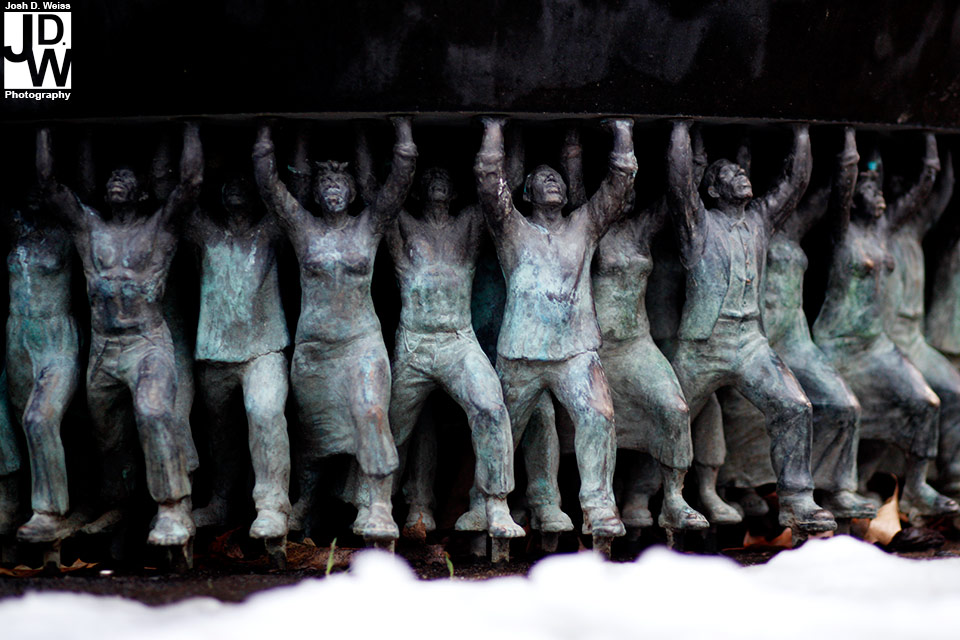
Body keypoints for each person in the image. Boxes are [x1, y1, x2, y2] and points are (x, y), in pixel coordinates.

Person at [36, 124, 202, 552]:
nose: (116, 179)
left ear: (143, 192)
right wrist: (42, 119)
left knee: (153, 411)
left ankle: (172, 507)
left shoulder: (159, 228)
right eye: (112, 175)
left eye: (126, 176)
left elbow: (190, 184)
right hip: (104, 348)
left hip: (146, 343)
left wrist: (190, 124)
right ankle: (120, 504)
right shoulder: (89, 229)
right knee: (108, 438)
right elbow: (50, 185)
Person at [252, 118, 416, 543]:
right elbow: (270, 187)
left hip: (361, 344)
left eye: (341, 183)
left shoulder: (370, 224)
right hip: (316, 352)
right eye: (325, 183)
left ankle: (377, 504)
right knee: (314, 437)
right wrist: (265, 134)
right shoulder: (301, 227)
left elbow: (399, 183)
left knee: (371, 413)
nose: (332, 189)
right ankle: (306, 502)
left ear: (354, 192)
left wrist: (403, 132)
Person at [666, 120, 834, 533]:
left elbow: (795, 183)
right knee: (669, 414)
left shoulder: (760, 219)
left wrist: (801, 129)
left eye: (740, 171)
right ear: (711, 190)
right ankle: (662, 496)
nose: (740, 175)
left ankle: (797, 499)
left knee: (794, 406)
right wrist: (680, 127)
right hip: (703, 344)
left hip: (749, 342)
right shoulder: (697, 223)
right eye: (728, 174)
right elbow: (680, 182)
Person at [474, 117, 637, 538]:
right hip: (521, 353)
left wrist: (623, 131)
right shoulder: (511, 227)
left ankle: (598, 506)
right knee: (502, 428)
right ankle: (492, 505)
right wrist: (494, 128)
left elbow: (618, 187)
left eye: (558, 179)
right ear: (526, 194)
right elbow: (490, 185)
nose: (554, 182)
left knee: (598, 415)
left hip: (576, 350)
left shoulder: (586, 224)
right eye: (542, 179)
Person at [717, 128, 876, 520]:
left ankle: (836, 488)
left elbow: (826, 191)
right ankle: (737, 485)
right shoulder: (748, 225)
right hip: (756, 337)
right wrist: (743, 145)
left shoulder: (793, 226)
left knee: (843, 405)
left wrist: (849, 157)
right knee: (745, 408)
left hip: (795, 337)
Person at [812, 133, 958, 521]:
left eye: (880, 190)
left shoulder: (884, 229)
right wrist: (853, 141)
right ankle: (839, 491)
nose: (879, 197)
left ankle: (916, 489)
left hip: (875, 345)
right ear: (853, 199)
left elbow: (924, 190)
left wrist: (929, 153)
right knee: (846, 410)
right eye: (870, 190)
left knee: (926, 403)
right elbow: (849, 180)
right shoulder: (842, 229)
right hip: (839, 343)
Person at [186, 174, 293, 548]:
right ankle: (221, 502)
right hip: (215, 352)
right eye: (228, 181)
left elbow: (291, 198)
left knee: (265, 413)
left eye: (243, 182)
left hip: (265, 349)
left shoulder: (269, 231)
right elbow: (179, 196)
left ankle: (272, 506)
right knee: (220, 435)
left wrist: (268, 154)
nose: (234, 186)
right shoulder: (206, 233)